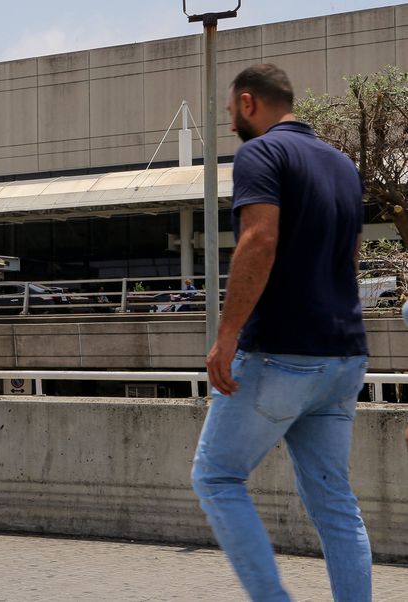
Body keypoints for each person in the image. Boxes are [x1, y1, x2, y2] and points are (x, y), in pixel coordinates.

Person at [192, 64, 371, 601]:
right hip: (344, 355)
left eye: (230, 113)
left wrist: (227, 336)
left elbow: (259, 240)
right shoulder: (343, 165)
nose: (231, 127)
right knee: (335, 505)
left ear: (249, 103)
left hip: (282, 355)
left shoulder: (260, 154)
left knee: (217, 477)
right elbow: (350, 258)